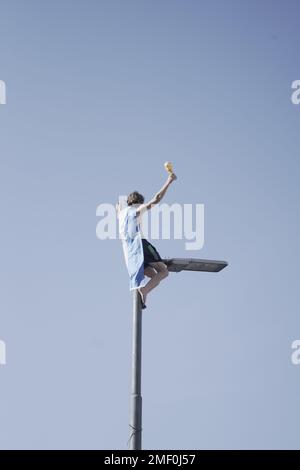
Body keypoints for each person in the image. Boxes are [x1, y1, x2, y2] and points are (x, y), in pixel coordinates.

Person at [117, 172, 177, 308]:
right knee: (163, 272)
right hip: (141, 245)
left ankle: (144, 291)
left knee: (153, 275)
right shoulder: (136, 209)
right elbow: (156, 199)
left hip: (131, 254)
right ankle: (144, 290)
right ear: (138, 202)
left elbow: (118, 209)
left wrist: (118, 207)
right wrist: (169, 181)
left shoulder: (121, 214)